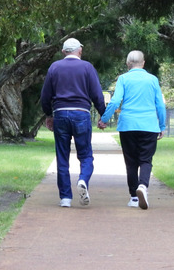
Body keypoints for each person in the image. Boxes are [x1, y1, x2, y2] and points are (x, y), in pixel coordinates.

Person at [40, 38, 107, 208]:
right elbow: (97, 95)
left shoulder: (54, 67)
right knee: (85, 155)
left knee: (62, 156)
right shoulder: (87, 67)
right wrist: (102, 116)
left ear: (64, 52)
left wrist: (49, 114)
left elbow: (45, 96)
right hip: (81, 114)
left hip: (61, 114)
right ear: (80, 50)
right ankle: (83, 180)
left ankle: (65, 198)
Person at [98, 50, 166, 210]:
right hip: (149, 125)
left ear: (128, 64)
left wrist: (104, 119)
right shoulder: (152, 79)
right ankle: (143, 186)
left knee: (131, 162)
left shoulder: (123, 79)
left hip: (128, 125)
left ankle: (134, 197)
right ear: (143, 63)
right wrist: (162, 125)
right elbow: (160, 105)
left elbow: (115, 101)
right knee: (145, 160)